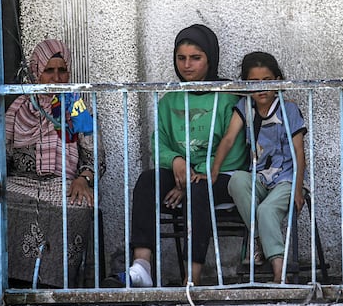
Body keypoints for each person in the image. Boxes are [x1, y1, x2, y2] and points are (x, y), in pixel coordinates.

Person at [119, 24, 248, 287]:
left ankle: (192, 277)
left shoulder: (227, 99)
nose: (187, 65)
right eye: (181, 58)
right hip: (184, 173)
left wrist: (191, 177)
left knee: (199, 190)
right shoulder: (170, 100)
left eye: (195, 58)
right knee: (147, 182)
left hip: (221, 175)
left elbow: (233, 151)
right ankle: (141, 266)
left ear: (210, 59)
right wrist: (177, 162)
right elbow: (159, 143)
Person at [0, 39, 103, 288]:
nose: (56, 77)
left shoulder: (77, 107)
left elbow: (95, 155)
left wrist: (83, 178)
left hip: (62, 184)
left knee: (77, 208)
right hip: (20, 181)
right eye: (48, 70)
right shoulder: (20, 106)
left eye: (62, 70)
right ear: (36, 72)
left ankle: (54, 286)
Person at [211, 52, 306, 283]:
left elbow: (299, 153)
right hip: (260, 179)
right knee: (237, 180)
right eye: (254, 83)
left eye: (268, 81)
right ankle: (261, 239)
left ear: (278, 81)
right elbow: (228, 139)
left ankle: (278, 271)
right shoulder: (245, 107)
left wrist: (298, 188)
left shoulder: (288, 110)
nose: (261, 88)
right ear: (245, 85)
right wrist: (212, 171)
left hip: (286, 180)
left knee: (265, 211)